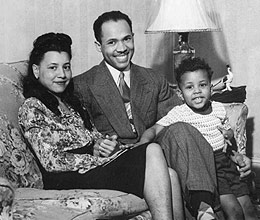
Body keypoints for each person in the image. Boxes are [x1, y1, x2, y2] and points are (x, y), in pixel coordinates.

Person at [73, 10, 253, 219]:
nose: (122, 48)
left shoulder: (153, 78)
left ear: (133, 38)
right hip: (119, 161)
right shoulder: (82, 85)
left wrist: (234, 155)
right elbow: (76, 133)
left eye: (127, 39)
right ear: (99, 46)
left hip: (159, 153)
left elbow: (187, 120)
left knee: (181, 128)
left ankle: (205, 209)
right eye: (112, 42)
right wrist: (97, 145)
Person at [17, 32, 184, 220]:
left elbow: (95, 138)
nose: (62, 75)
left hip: (93, 170)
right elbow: (51, 161)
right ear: (37, 70)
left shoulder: (72, 103)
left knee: (170, 175)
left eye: (66, 67)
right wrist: (93, 158)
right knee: (152, 149)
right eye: (53, 68)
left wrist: (103, 146)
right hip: (68, 177)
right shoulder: (32, 106)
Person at [140, 57, 258, 220]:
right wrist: (142, 145)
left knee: (249, 210)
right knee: (234, 211)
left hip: (227, 163)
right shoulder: (179, 113)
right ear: (180, 93)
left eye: (202, 85)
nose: (196, 91)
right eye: (189, 87)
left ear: (210, 86)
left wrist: (235, 151)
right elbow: (154, 130)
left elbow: (227, 138)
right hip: (209, 167)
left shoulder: (218, 109)